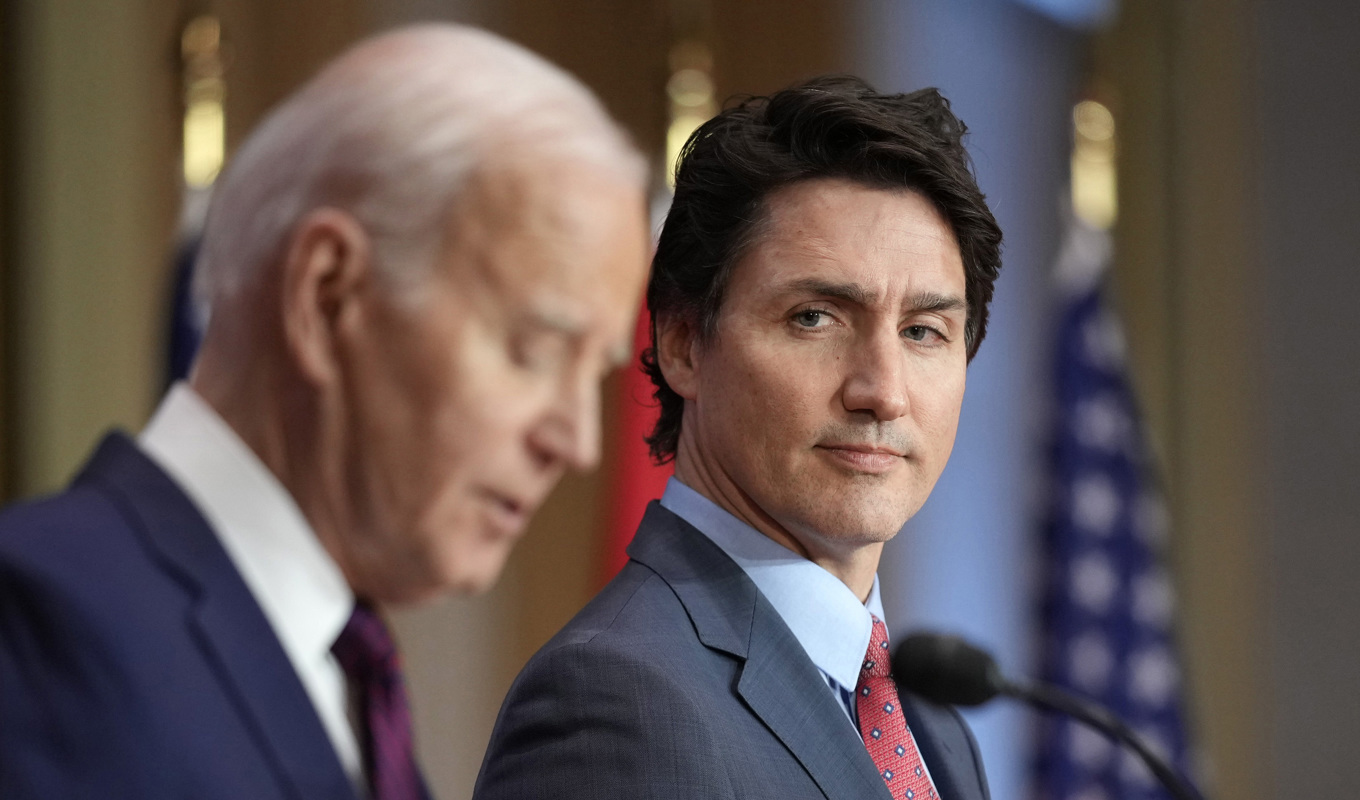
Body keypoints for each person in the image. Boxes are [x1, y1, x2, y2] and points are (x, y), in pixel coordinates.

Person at [0, 24, 650, 800]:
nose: (577, 443)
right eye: (535, 349)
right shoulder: (35, 628)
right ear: (327, 296)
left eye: (596, 373)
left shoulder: (350, 677)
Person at [474, 76, 1004, 800]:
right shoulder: (613, 700)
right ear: (684, 344)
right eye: (815, 317)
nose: (883, 390)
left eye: (923, 331)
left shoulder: (930, 718)